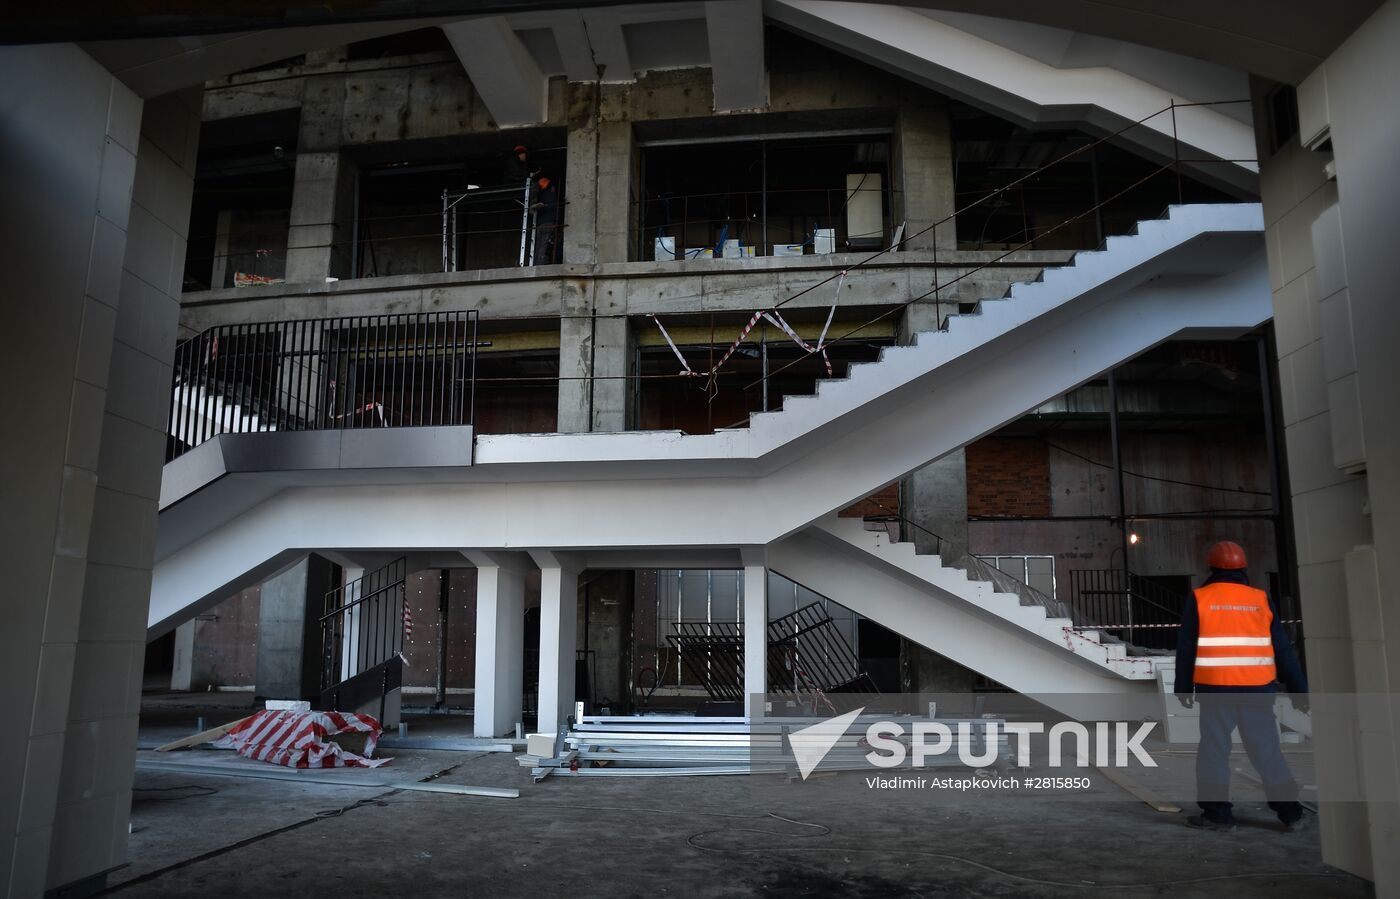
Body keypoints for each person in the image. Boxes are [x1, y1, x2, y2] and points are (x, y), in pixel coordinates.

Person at [1174, 540, 1310, 833]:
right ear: (1244, 568)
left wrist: (1183, 687)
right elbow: (1282, 649)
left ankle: (1218, 815)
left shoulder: (1200, 598)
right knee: (1267, 751)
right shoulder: (1260, 599)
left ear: (1211, 568)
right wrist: (1299, 690)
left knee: (1214, 752)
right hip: (1257, 690)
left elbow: (1186, 648)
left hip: (1216, 690)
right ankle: (1291, 814)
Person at [531, 175, 560, 265]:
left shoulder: (548, 193)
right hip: (545, 223)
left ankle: (539, 264)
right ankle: (539, 263)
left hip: (545, 223)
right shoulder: (548, 193)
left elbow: (549, 206)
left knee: (541, 246)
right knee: (541, 246)